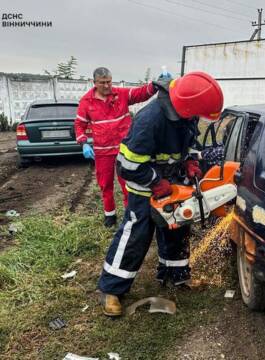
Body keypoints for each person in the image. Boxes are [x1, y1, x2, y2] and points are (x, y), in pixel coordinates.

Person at [97, 71, 224, 316]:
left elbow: (188, 144)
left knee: (177, 228)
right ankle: (112, 289)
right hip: (144, 189)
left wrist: (189, 161)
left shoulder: (185, 113)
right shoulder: (150, 120)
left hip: (174, 184)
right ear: (188, 106)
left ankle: (175, 276)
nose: (198, 118)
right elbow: (127, 165)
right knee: (137, 234)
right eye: (197, 114)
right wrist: (156, 182)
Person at [74, 67, 158, 227]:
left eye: (109, 82)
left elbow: (141, 93)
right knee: (105, 185)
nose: (107, 86)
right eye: (102, 83)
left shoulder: (121, 94)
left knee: (128, 184)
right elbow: (79, 124)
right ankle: (110, 216)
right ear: (95, 83)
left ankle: (130, 216)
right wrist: (84, 142)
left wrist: (156, 85)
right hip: (102, 152)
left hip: (124, 150)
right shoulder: (86, 101)